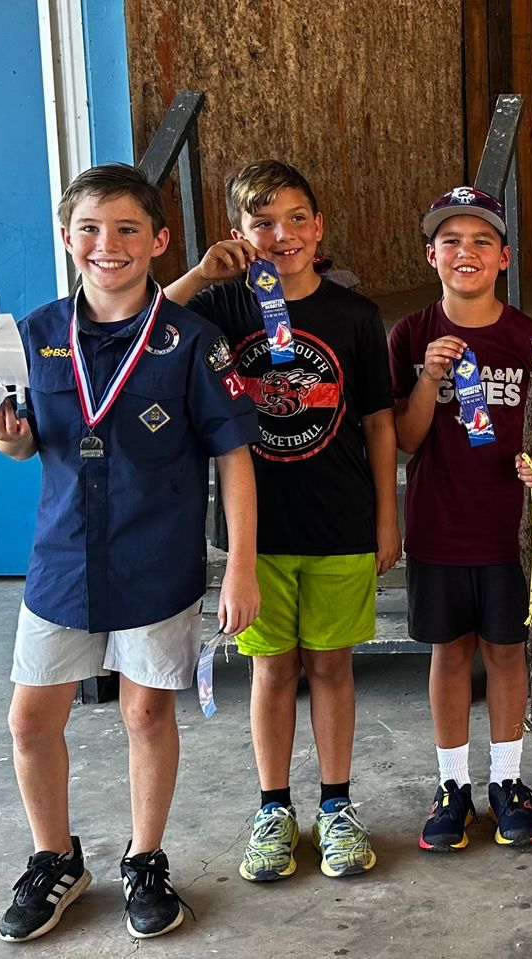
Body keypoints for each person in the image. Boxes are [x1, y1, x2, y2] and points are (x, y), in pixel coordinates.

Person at [0, 164, 260, 940]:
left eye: (128, 229)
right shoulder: (34, 333)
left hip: (156, 562)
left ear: (159, 240)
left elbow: (233, 456)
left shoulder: (192, 340)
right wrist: (9, 439)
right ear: (66, 238)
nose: (108, 244)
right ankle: (55, 857)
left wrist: (243, 565)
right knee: (30, 719)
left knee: (147, 709)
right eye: (90, 228)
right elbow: (26, 447)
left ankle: (147, 859)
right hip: (62, 559)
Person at [165, 160, 399, 878]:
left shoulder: (354, 316)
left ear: (319, 226)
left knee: (332, 666)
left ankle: (335, 804)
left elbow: (380, 424)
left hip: (341, 521)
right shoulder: (222, 310)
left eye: (297, 217)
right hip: (254, 535)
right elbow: (150, 322)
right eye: (263, 222)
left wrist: (389, 516)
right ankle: (273, 808)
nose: (282, 234)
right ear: (240, 233)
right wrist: (202, 275)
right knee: (271, 670)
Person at [389, 188, 532, 849]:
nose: (467, 253)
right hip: (438, 525)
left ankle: (506, 779)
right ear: (431, 255)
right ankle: (452, 782)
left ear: (505, 256)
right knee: (449, 652)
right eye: (451, 242)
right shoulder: (410, 334)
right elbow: (403, 436)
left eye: (482, 241)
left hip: (507, 529)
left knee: (506, 654)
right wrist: (428, 378)